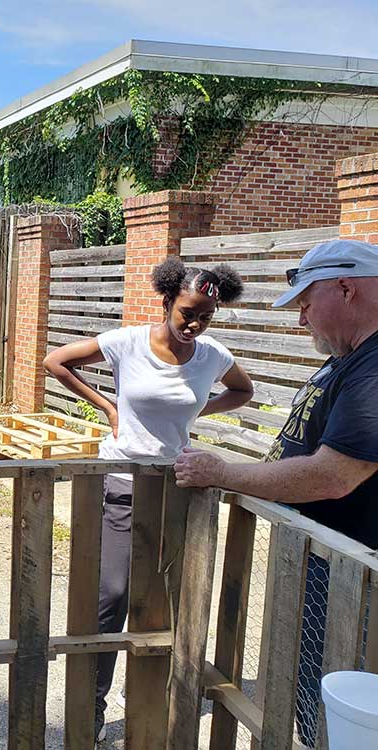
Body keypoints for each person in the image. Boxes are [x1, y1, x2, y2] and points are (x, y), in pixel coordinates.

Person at [175, 239, 378, 747]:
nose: (301, 322)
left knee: (344, 704)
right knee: (317, 694)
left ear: (346, 289)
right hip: (332, 558)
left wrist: (223, 472)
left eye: (307, 305)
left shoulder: (374, 369)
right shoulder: (351, 359)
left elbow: (334, 476)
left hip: (358, 570)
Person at [44, 256, 254, 744]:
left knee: (169, 598)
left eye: (206, 316)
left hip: (178, 488)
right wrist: (108, 406)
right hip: (121, 482)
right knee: (112, 594)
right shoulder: (128, 343)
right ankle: (89, 708)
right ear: (166, 301)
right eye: (187, 312)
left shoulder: (213, 355)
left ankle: (157, 701)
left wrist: (200, 408)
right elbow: (57, 361)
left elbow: (244, 390)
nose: (195, 324)